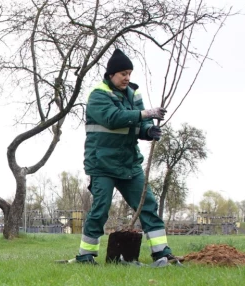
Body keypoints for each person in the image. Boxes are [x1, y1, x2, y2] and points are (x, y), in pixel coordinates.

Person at [75, 49, 177, 266]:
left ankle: (162, 253)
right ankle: (85, 255)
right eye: (123, 73)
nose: (127, 77)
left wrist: (148, 131)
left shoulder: (134, 94)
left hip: (129, 164)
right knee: (100, 208)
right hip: (101, 163)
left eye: (129, 73)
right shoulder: (98, 94)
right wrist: (146, 114)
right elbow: (113, 119)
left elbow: (139, 125)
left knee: (148, 204)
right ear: (111, 74)